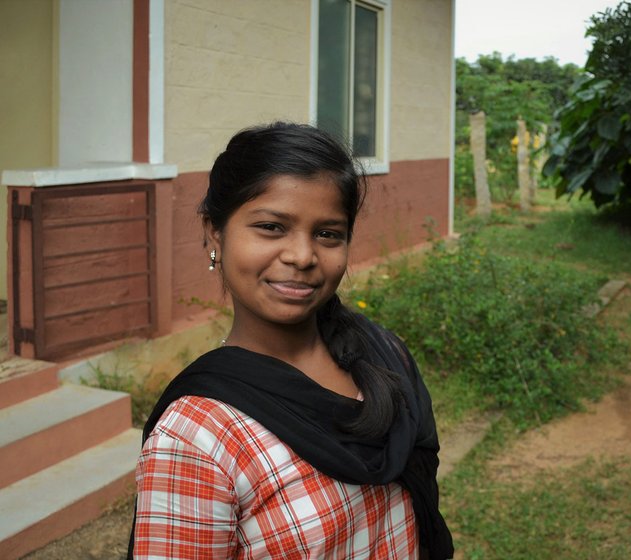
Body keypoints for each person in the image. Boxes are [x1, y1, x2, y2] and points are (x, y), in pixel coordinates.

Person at [128, 122, 454, 559]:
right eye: (271, 227)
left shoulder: (379, 354)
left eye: (328, 234)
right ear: (214, 233)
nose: (302, 256)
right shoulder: (197, 438)